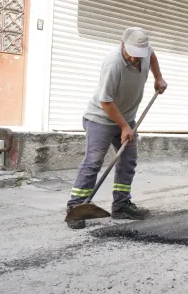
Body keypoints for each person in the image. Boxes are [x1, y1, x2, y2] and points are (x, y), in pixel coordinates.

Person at [65, 27, 168, 229]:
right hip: (101, 119)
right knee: (93, 162)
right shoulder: (113, 63)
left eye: (139, 56)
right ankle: (75, 207)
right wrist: (123, 127)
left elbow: (153, 57)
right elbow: (106, 101)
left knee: (127, 162)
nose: (134, 60)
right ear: (122, 45)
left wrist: (158, 77)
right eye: (131, 55)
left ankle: (121, 206)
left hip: (127, 118)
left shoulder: (145, 52)